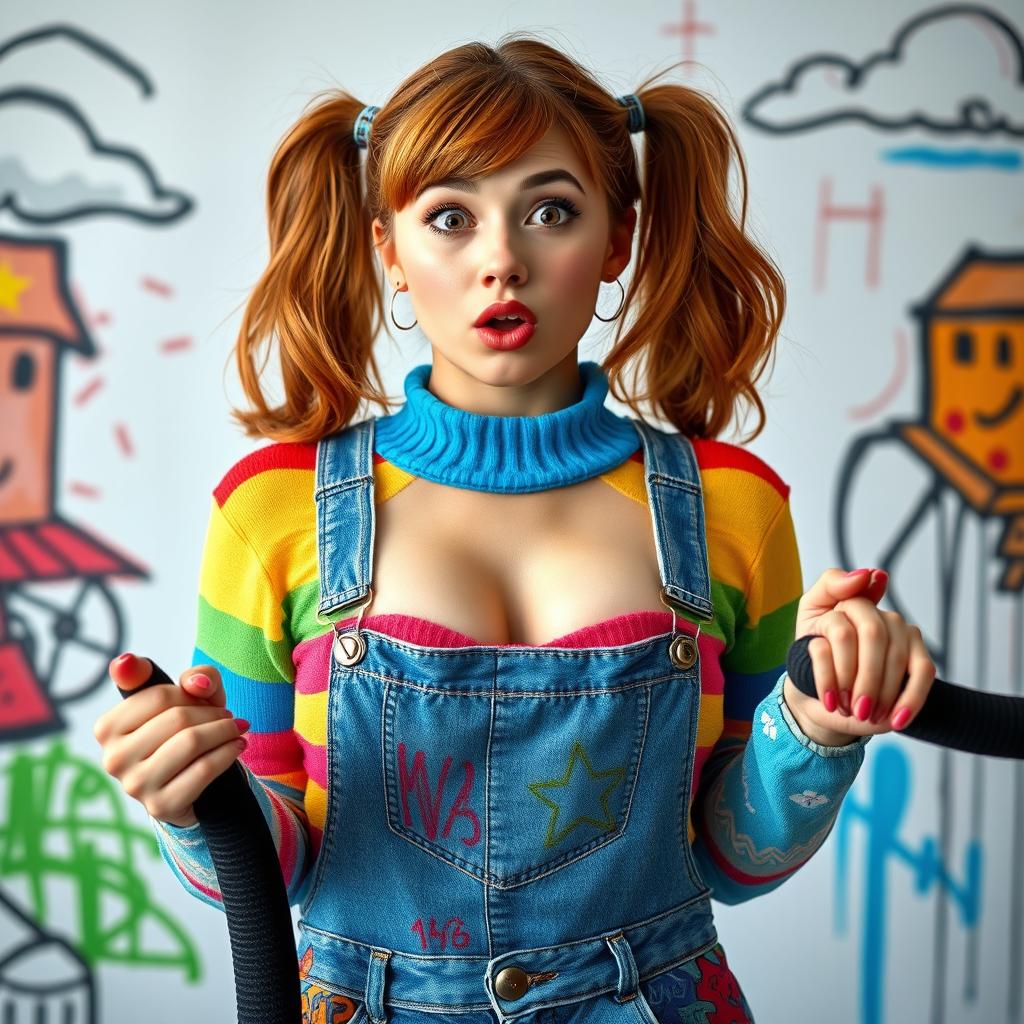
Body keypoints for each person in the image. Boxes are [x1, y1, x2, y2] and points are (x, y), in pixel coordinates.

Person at [93, 33, 936, 1023]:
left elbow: (729, 859)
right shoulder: (271, 510)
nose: (501, 260)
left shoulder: (733, 510)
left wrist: (818, 728)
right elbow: (262, 872)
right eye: (448, 216)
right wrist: (193, 800)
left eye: (550, 211)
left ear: (616, 239)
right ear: (388, 249)